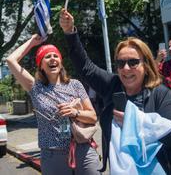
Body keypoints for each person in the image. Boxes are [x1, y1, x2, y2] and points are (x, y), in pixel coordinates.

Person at [59, 9, 171, 174]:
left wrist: (135, 122)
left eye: (133, 62)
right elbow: (85, 67)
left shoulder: (160, 93)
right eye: (121, 63)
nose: (126, 68)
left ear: (146, 65)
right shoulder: (112, 85)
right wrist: (69, 32)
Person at [6, 34, 101, 175]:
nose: (52, 59)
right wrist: (32, 41)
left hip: (83, 149)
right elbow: (10, 60)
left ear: (60, 62)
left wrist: (75, 112)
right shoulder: (35, 88)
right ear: (41, 65)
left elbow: (93, 117)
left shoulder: (75, 85)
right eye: (47, 56)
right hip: (53, 155)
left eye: (55, 56)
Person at [156, 38, 171, 103]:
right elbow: (151, 72)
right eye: (169, 47)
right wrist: (158, 59)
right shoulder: (165, 65)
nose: (169, 49)